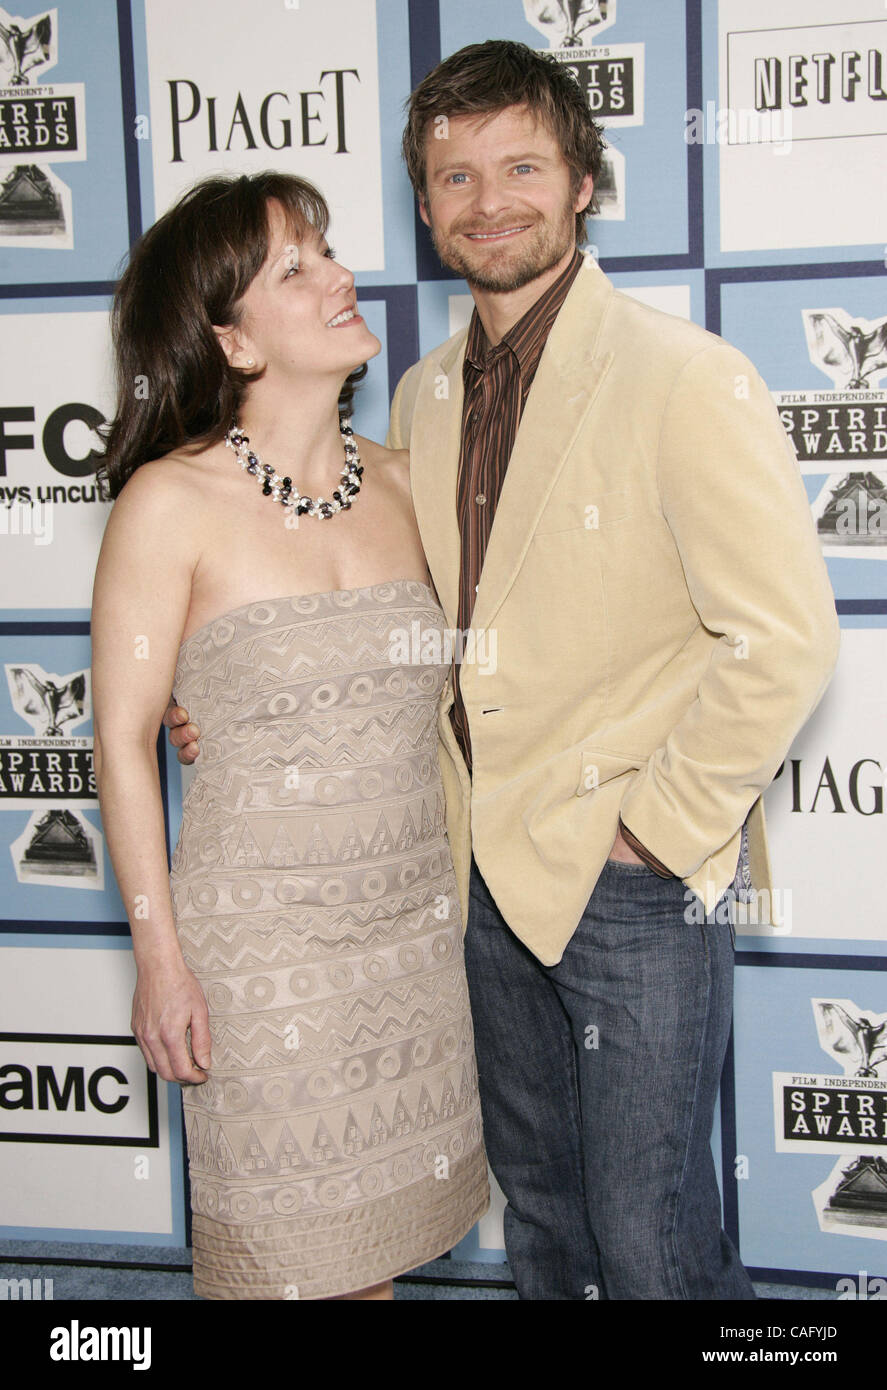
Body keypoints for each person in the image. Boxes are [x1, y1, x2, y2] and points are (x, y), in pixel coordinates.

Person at [168, 41, 840, 1299]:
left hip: (631, 876)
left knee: (648, 1232)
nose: (490, 202)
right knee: (542, 1215)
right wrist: (237, 714)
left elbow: (785, 635)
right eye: (456, 176)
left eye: (522, 165)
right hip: (471, 873)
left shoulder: (683, 377)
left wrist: (654, 828)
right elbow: (376, 618)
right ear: (425, 209)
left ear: (584, 179)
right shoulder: (416, 400)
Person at [92, 170, 489, 1302]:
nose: (341, 274)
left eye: (325, 248)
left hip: (408, 939)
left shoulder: (414, 483)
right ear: (231, 339)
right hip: (261, 959)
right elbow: (121, 740)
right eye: (295, 267)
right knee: (286, 1272)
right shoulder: (169, 504)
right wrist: (158, 959)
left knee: (374, 1270)